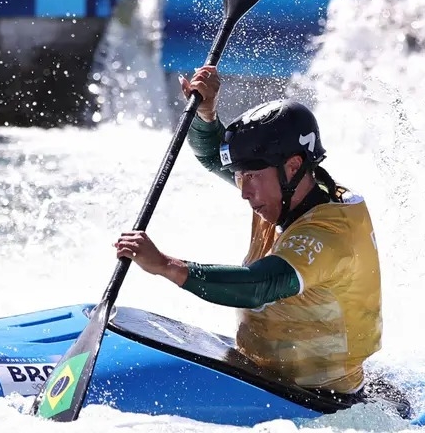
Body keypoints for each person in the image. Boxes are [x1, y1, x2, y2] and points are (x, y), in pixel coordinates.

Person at [114, 65, 408, 416]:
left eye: (252, 176)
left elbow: (261, 284)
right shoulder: (283, 193)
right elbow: (211, 156)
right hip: (264, 373)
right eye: (240, 176)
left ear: (293, 165)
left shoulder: (332, 233)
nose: (244, 191)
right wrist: (206, 112)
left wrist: (166, 265)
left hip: (323, 404)